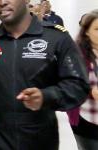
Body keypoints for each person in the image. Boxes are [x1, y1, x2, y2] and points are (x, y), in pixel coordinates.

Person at [0, 0, 90, 150]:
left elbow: (78, 85)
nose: (2, 2)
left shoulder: (56, 38)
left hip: (42, 141)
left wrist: (46, 96)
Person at [69, 10, 98, 150]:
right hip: (87, 120)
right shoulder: (77, 54)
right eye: (97, 29)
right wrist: (91, 92)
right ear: (86, 31)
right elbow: (68, 84)